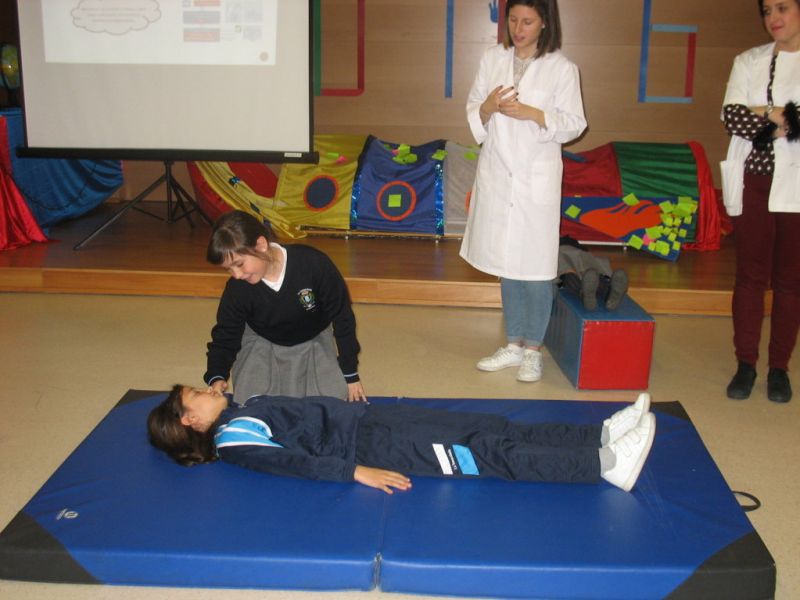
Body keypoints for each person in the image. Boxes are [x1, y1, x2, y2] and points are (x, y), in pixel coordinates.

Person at [147, 385, 656, 494]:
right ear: (191, 421)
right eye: (197, 395)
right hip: (373, 447)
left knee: (494, 426)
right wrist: (355, 472)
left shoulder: (239, 410)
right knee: (486, 453)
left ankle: (597, 434)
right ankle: (606, 464)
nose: (207, 389)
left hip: (374, 420)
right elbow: (293, 463)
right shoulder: (234, 438)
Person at [460, 0, 587, 383]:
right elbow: (474, 111)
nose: (518, 28)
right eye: (513, 19)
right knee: (507, 266)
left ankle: (533, 350)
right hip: (498, 174)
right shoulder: (492, 59)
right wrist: (488, 106)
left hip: (536, 179)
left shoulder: (562, 68)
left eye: (527, 21)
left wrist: (534, 113)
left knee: (536, 269)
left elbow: (575, 123)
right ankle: (513, 344)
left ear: (545, 23)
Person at [720, 0, 800, 403]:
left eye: (782, 7)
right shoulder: (748, 60)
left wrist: (763, 115)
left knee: (790, 281)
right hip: (753, 179)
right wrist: (781, 116)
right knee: (750, 276)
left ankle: (779, 368)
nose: (774, 18)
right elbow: (732, 117)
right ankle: (746, 363)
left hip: (796, 184)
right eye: (767, 11)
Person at [204, 210, 367, 404]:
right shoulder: (237, 288)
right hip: (262, 338)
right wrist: (217, 375)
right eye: (229, 269)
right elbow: (225, 333)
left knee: (331, 400)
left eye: (239, 264)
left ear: (261, 245)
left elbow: (342, 317)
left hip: (313, 336)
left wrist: (350, 373)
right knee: (251, 402)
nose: (237, 275)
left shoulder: (313, 264)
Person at [558, 237, 629, 311]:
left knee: (589, 273)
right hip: (573, 253)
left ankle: (590, 292)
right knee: (581, 272)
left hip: (573, 251)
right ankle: (607, 291)